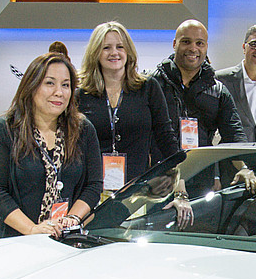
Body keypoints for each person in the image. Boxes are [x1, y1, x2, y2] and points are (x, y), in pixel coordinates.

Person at [76, 21, 191, 229]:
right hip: (90, 195)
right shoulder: (81, 94)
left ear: (128, 51)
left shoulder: (148, 87)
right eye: (106, 47)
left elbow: (167, 140)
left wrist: (180, 192)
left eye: (120, 47)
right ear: (95, 53)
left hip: (136, 195)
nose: (114, 53)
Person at [0, 52, 103, 240]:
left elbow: (93, 185)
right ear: (31, 86)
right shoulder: (3, 131)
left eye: (66, 85)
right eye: (50, 83)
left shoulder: (83, 129)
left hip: (64, 239)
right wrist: (32, 229)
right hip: (13, 240)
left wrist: (72, 219)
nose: (59, 92)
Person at [151, 20, 256, 194]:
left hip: (200, 182)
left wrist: (244, 168)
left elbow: (233, 133)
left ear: (206, 47)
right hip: (159, 181)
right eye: (186, 42)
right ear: (174, 44)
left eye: (199, 43)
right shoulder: (153, 85)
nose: (193, 48)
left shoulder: (218, 90)